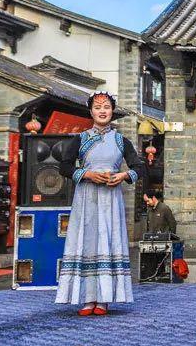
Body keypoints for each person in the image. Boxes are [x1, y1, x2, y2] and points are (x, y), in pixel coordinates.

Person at [54, 91, 146, 316]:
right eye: (98, 107)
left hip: (111, 199)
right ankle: (87, 298)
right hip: (86, 197)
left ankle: (104, 299)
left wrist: (123, 176)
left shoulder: (121, 140)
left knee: (108, 239)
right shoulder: (80, 138)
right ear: (91, 111)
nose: (102, 111)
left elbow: (140, 167)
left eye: (106, 107)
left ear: (112, 111)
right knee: (87, 240)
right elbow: (64, 167)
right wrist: (87, 175)